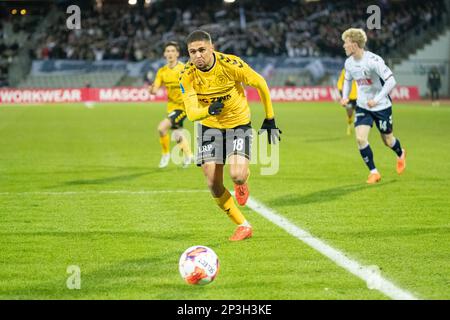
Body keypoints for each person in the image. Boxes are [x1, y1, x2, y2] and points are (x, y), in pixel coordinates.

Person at [179, 30, 281, 241]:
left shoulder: (231, 64)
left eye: (201, 50)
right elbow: (190, 113)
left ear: (212, 47)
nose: (197, 55)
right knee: (212, 182)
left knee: (237, 175)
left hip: (238, 124)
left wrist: (270, 118)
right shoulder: (186, 75)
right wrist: (209, 111)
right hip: (209, 127)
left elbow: (260, 83)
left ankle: (242, 182)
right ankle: (243, 225)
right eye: (192, 52)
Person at [340, 28, 406, 184]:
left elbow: (391, 81)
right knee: (360, 139)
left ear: (354, 44)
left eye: (346, 43)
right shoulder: (349, 63)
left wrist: (377, 99)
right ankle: (374, 172)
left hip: (381, 106)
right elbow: (348, 80)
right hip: (363, 107)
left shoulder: (373, 61)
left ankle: (400, 152)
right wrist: (344, 97)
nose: (344, 45)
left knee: (388, 141)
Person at [149, 41, 193, 168]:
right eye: (168, 51)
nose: (170, 53)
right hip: (171, 107)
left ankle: (165, 155)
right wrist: (151, 90)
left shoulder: (184, 69)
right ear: (164, 54)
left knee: (162, 128)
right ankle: (189, 156)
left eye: (173, 51)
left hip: (184, 107)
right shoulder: (162, 71)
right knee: (177, 134)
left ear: (177, 54)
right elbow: (155, 90)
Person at [337, 68, 358, 135]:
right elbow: (340, 82)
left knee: (360, 114)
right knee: (349, 113)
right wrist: (341, 94)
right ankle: (349, 125)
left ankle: (359, 129)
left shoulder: (360, 68)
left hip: (359, 96)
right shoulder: (345, 71)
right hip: (349, 97)